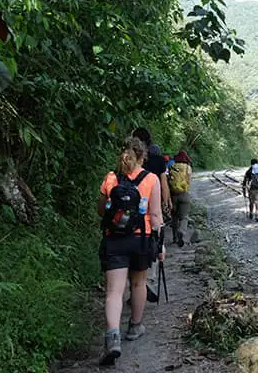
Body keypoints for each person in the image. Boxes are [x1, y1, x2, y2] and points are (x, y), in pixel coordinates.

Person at [98, 137, 165, 366]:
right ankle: (135, 326)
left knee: (114, 292)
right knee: (138, 284)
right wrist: (161, 245)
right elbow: (155, 216)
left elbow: (101, 210)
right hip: (141, 240)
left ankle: (112, 338)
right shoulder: (151, 179)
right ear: (142, 156)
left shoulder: (110, 178)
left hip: (114, 240)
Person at [130, 128, 171, 303]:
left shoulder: (128, 161)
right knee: (153, 244)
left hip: (130, 211)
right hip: (150, 209)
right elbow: (163, 182)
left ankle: (134, 285)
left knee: (130, 243)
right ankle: (147, 282)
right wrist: (167, 200)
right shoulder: (158, 160)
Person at [169, 149, 193, 247]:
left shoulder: (172, 167)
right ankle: (182, 231)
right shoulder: (188, 168)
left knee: (174, 217)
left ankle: (174, 238)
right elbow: (189, 181)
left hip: (173, 195)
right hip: (184, 194)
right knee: (184, 217)